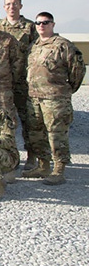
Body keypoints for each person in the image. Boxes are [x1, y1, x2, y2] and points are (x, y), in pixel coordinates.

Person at [22, 12, 85, 185]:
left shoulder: (63, 46)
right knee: (36, 133)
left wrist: (65, 90)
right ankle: (43, 165)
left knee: (56, 135)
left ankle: (59, 169)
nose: (41, 26)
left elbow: (77, 71)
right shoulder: (34, 46)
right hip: (34, 98)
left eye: (45, 22)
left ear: (53, 24)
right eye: (38, 23)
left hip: (55, 100)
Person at [0, 0, 38, 169]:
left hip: (23, 82)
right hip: (2, 82)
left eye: (15, 4)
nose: (11, 7)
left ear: (21, 6)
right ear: (4, 7)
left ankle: (32, 155)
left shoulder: (30, 27)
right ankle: (5, 154)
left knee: (28, 119)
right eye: (8, 4)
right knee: (3, 119)